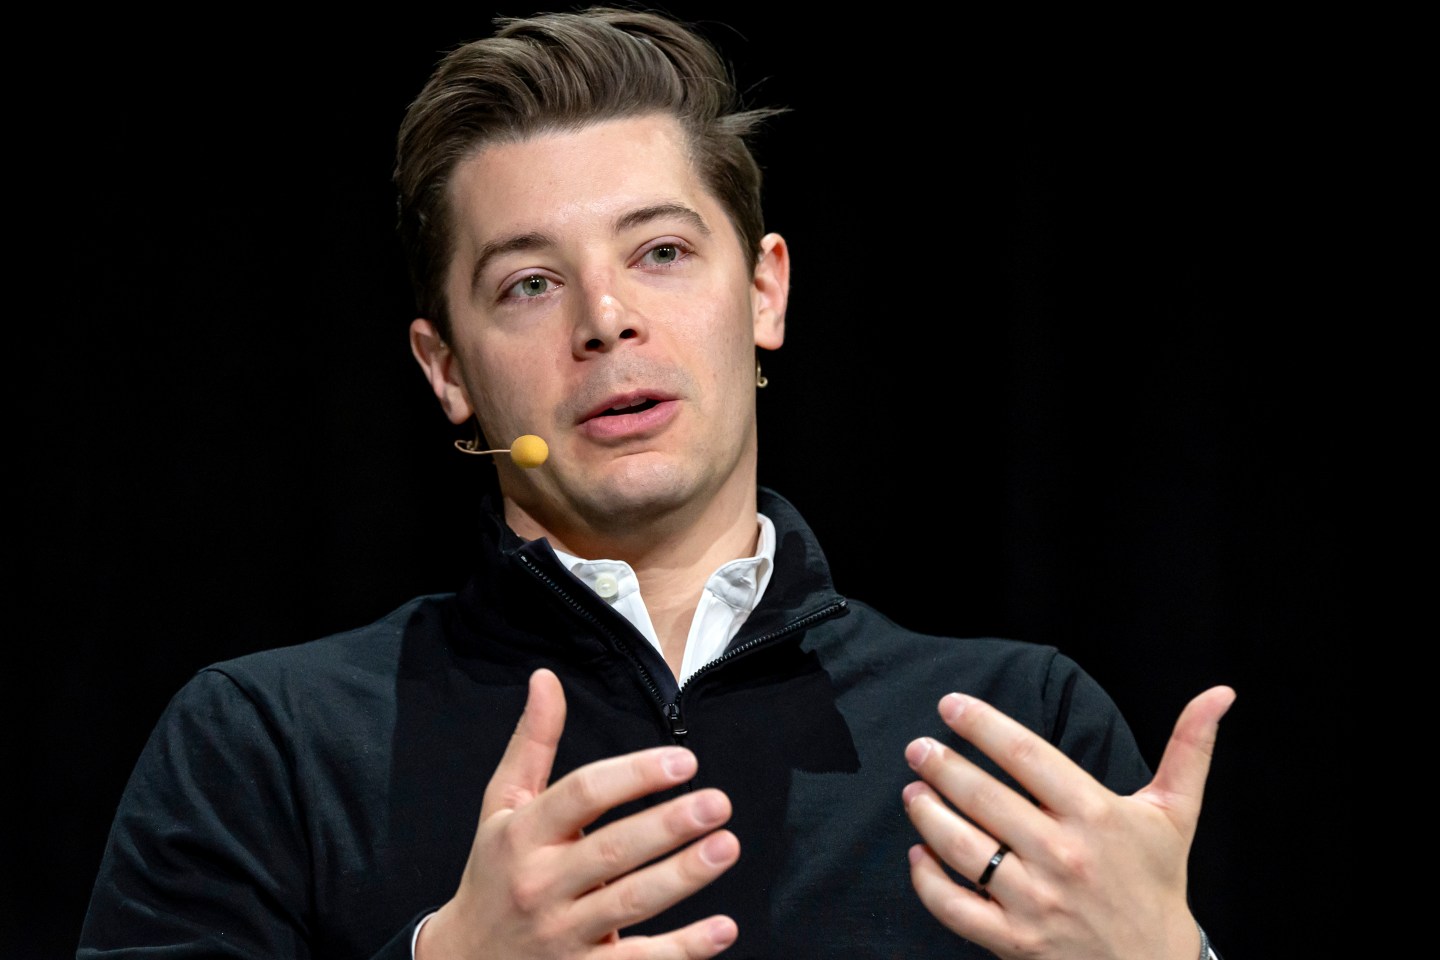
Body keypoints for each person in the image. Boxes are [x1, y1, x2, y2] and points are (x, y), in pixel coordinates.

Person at [76, 6, 1235, 959]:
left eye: (662, 252)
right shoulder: (266, 743)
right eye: (529, 283)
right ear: (448, 371)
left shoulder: (1018, 733)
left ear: (765, 292)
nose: (606, 317)